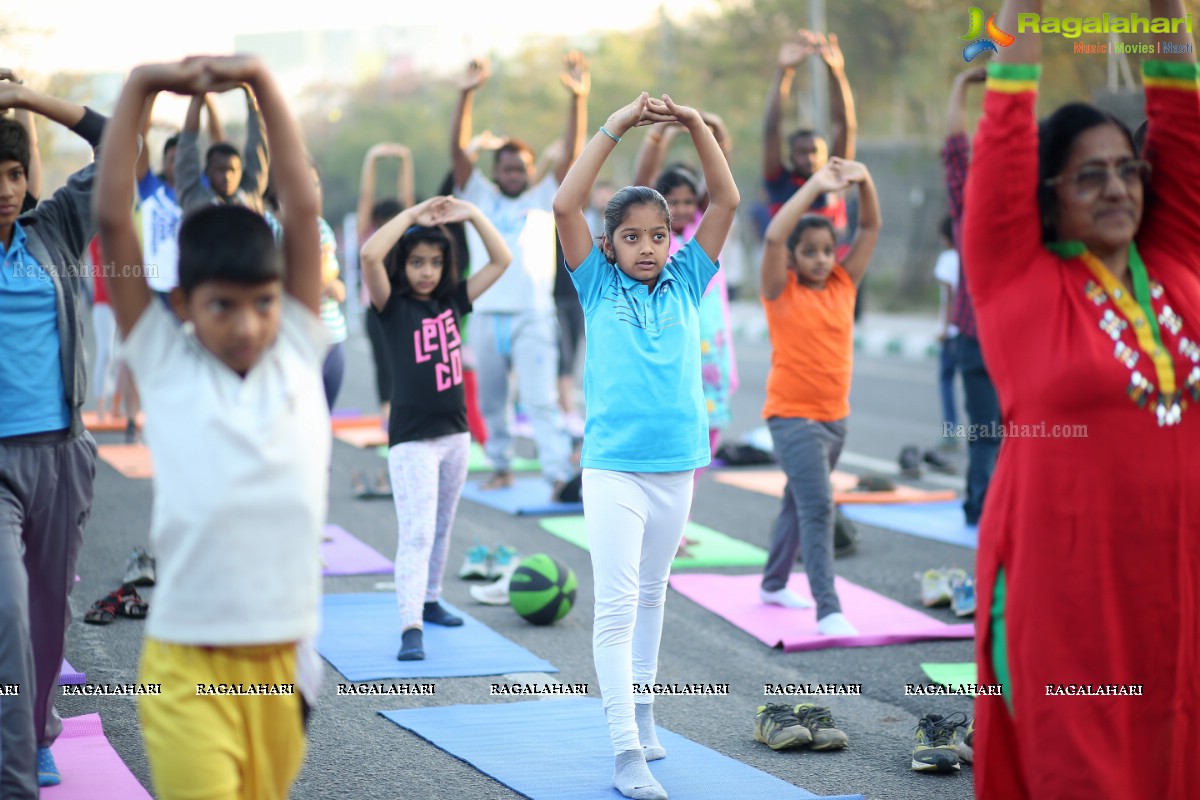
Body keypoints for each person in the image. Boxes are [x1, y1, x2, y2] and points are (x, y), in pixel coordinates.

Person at [965, 1, 1200, 796]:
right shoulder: (1016, 280)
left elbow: (1180, 108)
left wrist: (1164, 7)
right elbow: (1003, 121)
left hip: (1178, 588)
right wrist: (1021, 10)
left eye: (1126, 168)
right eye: (1089, 174)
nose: (1115, 188)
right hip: (1068, 595)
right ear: (1049, 191)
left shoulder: (1173, 259)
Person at [96, 55, 329, 800]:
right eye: (221, 306)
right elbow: (112, 220)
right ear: (184, 304)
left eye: (262, 302)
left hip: (286, 667)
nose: (247, 324)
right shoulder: (165, 363)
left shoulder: (296, 345)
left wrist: (263, 79)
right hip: (187, 666)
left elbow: (301, 206)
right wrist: (141, 87)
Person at [553, 91, 739, 800]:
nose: (647, 247)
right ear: (609, 245)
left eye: (657, 235)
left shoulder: (689, 280)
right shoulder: (595, 284)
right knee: (618, 604)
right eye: (631, 237)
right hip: (613, 472)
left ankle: (645, 708)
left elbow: (725, 199)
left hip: (676, 467)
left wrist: (696, 123)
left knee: (656, 595)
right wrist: (615, 126)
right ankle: (624, 750)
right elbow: (565, 205)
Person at [0, 79, 104, 798]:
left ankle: (35, 730)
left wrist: (28, 99)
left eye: (11, 173)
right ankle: (15, 779)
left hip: (62, 451)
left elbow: (116, 138)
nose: (5, 189)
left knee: (45, 616)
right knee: (7, 615)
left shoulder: (57, 228)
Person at [360, 196, 511, 661]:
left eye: (435, 262)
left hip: (455, 434)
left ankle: (430, 598)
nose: (426, 271)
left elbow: (502, 259)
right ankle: (411, 626)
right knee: (418, 532)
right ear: (402, 265)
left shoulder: (452, 300)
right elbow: (369, 255)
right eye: (416, 262)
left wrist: (472, 215)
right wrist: (412, 217)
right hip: (411, 440)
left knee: (443, 526)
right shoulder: (390, 306)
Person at [451, 54, 587, 497]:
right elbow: (458, 152)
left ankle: (556, 476)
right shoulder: (478, 196)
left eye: (521, 168)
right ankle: (501, 465)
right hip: (487, 315)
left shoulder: (544, 198)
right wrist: (466, 93)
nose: (514, 174)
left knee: (540, 400)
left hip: (533, 315)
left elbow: (572, 154)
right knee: (492, 403)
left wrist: (577, 100)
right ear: (496, 173)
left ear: (532, 172)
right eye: (507, 168)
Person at [756, 156, 881, 637]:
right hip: (792, 417)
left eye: (827, 250)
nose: (822, 259)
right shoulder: (779, 287)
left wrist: (864, 178)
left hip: (835, 419)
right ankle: (827, 607)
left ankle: (772, 582)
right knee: (818, 505)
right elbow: (772, 236)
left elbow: (870, 225)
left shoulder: (843, 284)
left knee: (796, 500)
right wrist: (815, 186)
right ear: (792, 257)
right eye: (809, 251)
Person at [943, 64, 1000, 524]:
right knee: (997, 433)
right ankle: (983, 505)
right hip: (986, 338)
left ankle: (982, 505)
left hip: (984, 337)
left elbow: (956, 152)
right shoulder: (976, 203)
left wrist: (963, 86)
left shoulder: (968, 202)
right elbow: (956, 151)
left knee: (988, 432)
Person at [357, 143, 415, 425]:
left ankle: (404, 409)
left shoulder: (405, 235)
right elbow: (366, 197)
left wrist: (405, 160)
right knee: (383, 362)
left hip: (404, 307)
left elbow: (407, 199)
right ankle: (386, 414)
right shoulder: (368, 235)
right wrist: (371, 158)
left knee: (405, 361)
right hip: (375, 308)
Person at [175, 86, 269, 214]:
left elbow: (257, 144)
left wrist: (249, 89)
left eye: (232, 170)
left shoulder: (250, 195)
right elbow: (188, 142)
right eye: (220, 170)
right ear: (207, 171)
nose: (227, 177)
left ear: (241, 171)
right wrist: (199, 91)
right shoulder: (195, 200)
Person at [933, 215, 961, 448]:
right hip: (972, 332)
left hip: (953, 331)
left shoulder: (947, 259)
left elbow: (950, 294)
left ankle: (951, 430)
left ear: (945, 239)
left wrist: (944, 326)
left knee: (946, 380)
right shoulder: (970, 255)